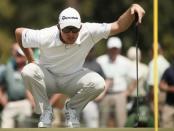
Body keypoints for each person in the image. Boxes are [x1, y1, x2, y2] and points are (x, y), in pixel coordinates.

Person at [15, 4, 145, 128]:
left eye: (75, 29)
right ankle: (46, 111)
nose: (71, 34)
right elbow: (19, 32)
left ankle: (72, 109)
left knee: (99, 83)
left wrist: (131, 9)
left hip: (72, 80)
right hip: (47, 78)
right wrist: (31, 59)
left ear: (80, 27)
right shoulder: (45, 35)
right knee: (28, 70)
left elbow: (118, 25)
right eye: (67, 29)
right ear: (59, 27)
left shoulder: (89, 31)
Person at [97, 37, 131, 127]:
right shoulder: (100, 61)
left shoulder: (126, 62)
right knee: (102, 122)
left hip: (120, 94)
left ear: (119, 49)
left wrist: (128, 92)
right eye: (112, 48)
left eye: (116, 49)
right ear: (108, 49)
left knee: (121, 122)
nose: (114, 51)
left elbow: (134, 78)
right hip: (104, 94)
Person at [0, 43, 33, 128]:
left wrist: (32, 103)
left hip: (25, 103)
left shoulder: (31, 68)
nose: (16, 55)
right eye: (15, 53)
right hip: (10, 104)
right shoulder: (7, 67)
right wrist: (3, 101)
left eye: (19, 54)